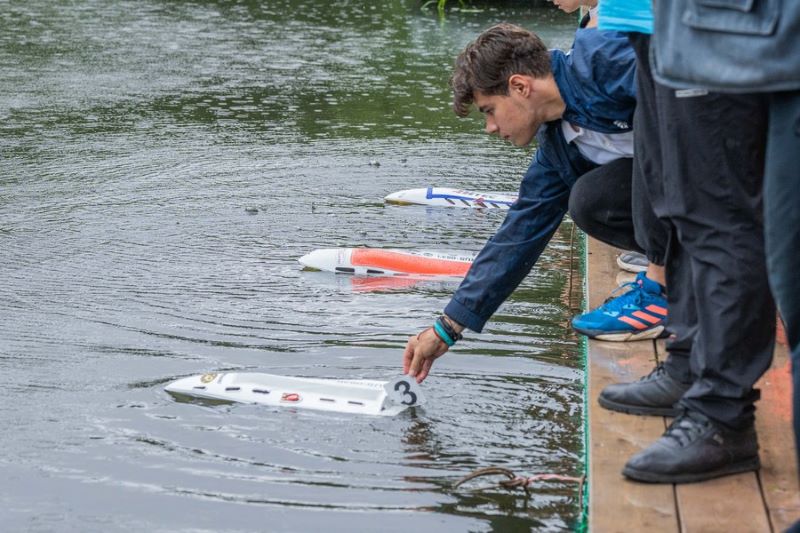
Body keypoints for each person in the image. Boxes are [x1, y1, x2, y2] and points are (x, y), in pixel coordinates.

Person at [403, 22, 662, 382]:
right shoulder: (558, 147)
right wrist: (448, 327)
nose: (490, 128)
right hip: (697, 198)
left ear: (520, 86)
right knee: (588, 201)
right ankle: (673, 274)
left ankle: (668, 282)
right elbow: (518, 235)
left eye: (489, 110)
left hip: (739, 172)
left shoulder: (604, 61)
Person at [594, 0, 776, 484]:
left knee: (718, 215)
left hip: (708, 21)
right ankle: (688, 363)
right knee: (681, 208)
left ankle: (722, 414)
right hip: (656, 22)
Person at [650, 0, 800, 520]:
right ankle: (709, 396)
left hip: (731, 42)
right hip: (701, 41)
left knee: (735, 234)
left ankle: (719, 409)